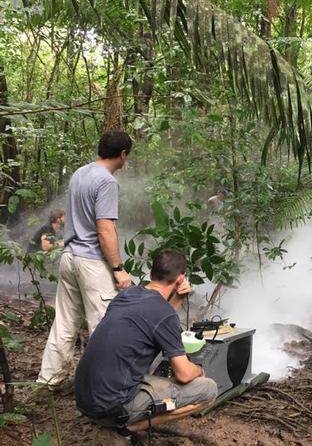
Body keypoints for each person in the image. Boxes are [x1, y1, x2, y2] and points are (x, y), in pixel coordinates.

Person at [74, 249, 217, 441]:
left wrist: (178, 299)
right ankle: (128, 427)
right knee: (208, 389)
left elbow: (155, 320)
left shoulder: (126, 295)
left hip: (84, 399)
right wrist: (198, 370)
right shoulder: (163, 313)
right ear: (181, 278)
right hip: (110, 407)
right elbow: (183, 374)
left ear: (152, 273)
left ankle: (122, 420)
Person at [37, 130, 133, 388]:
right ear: (123, 154)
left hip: (69, 258)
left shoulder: (80, 172)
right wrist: (118, 269)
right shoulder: (107, 182)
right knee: (105, 327)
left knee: (65, 323)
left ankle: (49, 381)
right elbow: (105, 229)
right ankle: (103, 389)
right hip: (91, 263)